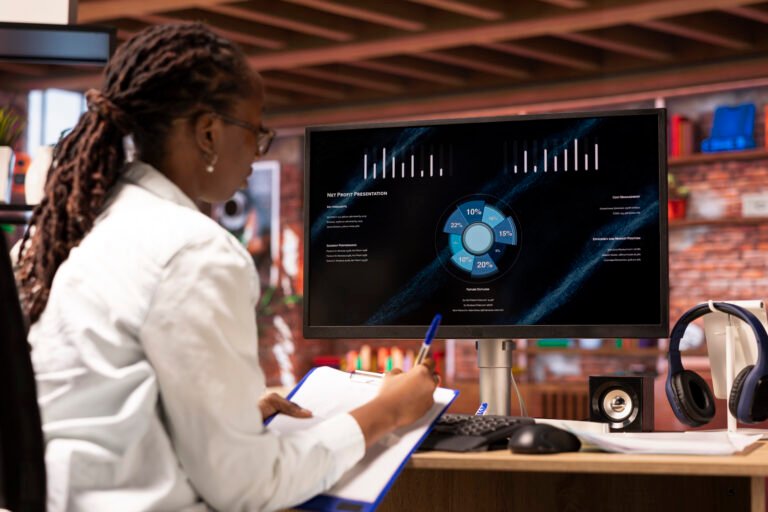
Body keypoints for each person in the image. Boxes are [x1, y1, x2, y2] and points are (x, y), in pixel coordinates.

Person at [15, 22, 438, 512]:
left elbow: (104, 416)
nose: (256, 157)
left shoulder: (84, 229)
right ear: (209, 132)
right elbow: (248, 489)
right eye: (255, 132)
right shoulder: (194, 250)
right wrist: (387, 412)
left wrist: (230, 418)